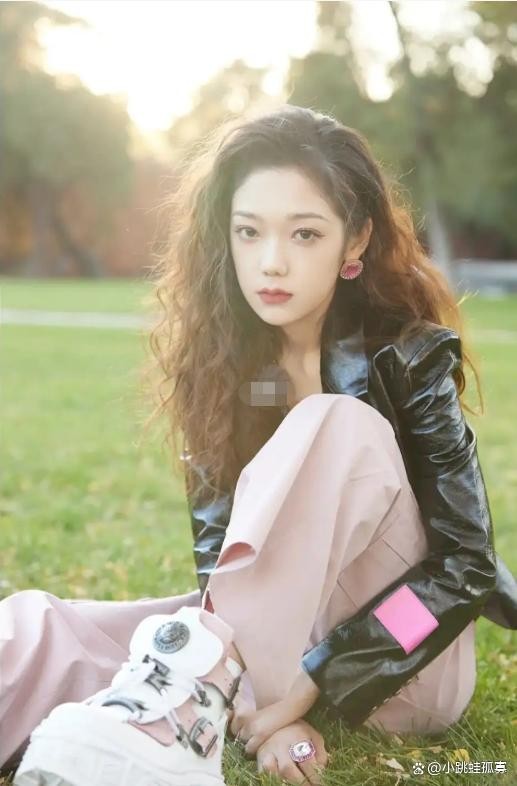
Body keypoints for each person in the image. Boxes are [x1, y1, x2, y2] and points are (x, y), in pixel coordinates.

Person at [2, 105, 516, 786]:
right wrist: (266, 687)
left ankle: (187, 713)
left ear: (355, 239)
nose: (271, 262)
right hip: (266, 637)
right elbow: (220, 561)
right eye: (249, 232)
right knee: (40, 632)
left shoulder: (406, 357)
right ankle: (196, 689)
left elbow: (462, 567)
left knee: (337, 423)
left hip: (402, 666)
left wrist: (309, 685)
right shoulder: (225, 366)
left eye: (305, 234)